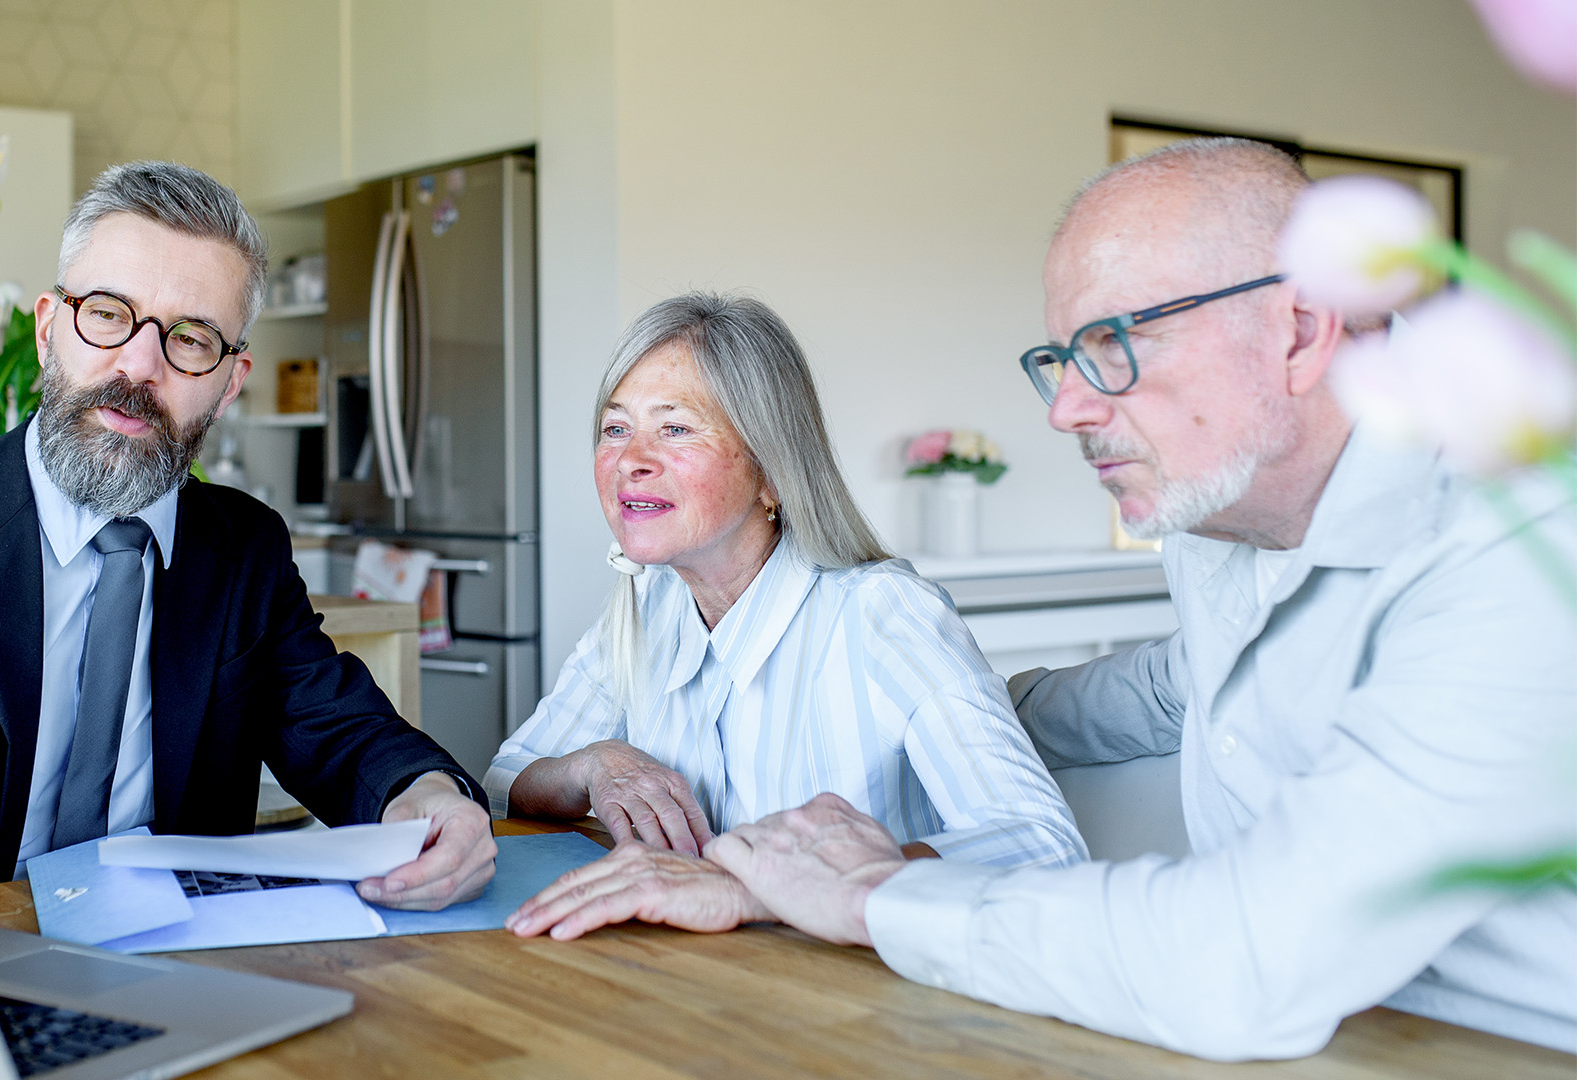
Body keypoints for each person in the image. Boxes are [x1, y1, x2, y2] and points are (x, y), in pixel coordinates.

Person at [520, 138, 1577, 1060]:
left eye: (1115, 343)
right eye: (1060, 357)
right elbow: (1168, 689)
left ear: (1301, 331)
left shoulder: (1520, 553)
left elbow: (1249, 957)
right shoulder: (1220, 541)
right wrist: (984, 700)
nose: (1068, 406)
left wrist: (859, 890)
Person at [0, 161, 495, 906]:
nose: (139, 363)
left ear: (229, 383)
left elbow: (340, 729)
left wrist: (430, 798)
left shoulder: (243, 551)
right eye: (109, 315)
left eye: (189, 339)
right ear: (50, 329)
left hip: (166, 972)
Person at [493, 293, 1083, 929]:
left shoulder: (883, 614)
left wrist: (760, 887)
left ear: (771, 471)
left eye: (676, 428)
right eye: (615, 429)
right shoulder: (646, 603)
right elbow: (506, 779)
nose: (630, 460)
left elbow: (1041, 845)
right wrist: (595, 763)